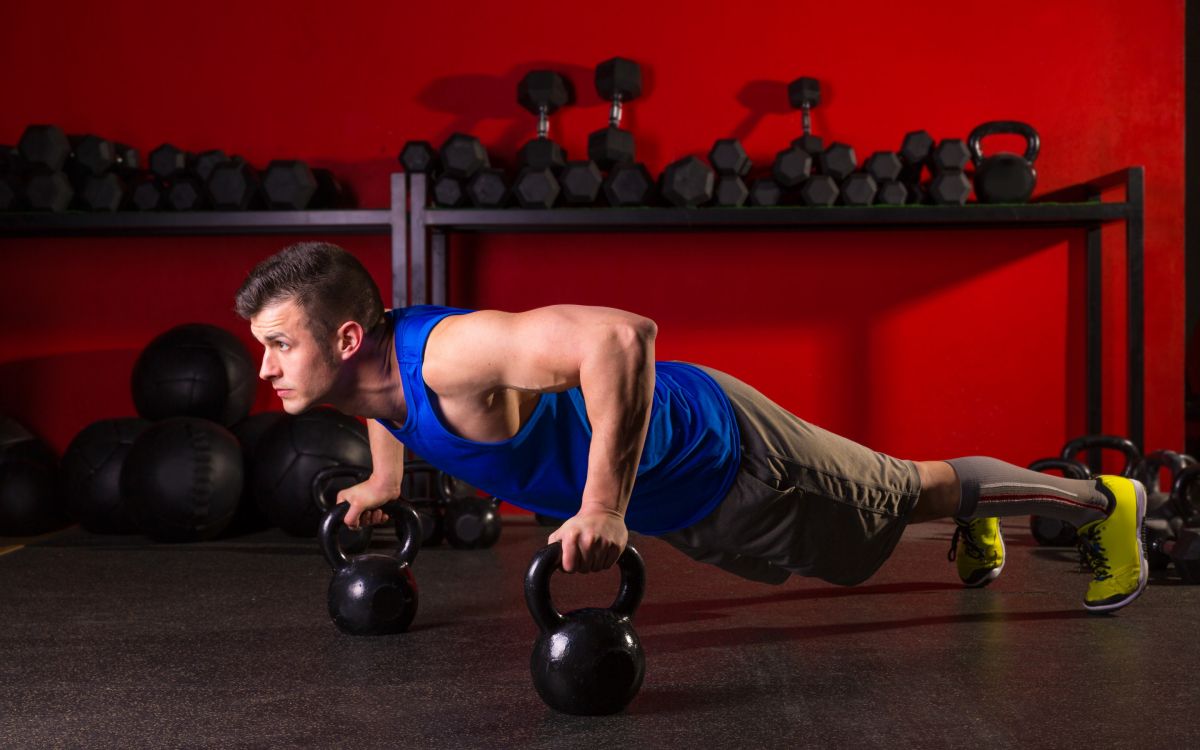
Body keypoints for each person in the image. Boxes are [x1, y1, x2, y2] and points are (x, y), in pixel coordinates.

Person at [235, 241, 1148, 614]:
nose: (265, 366)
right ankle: (974, 513)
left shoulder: (454, 355)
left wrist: (599, 505)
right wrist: (385, 481)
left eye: (279, 344)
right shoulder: (374, 372)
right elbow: (384, 404)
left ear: (346, 336)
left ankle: (1101, 499)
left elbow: (622, 337)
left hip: (733, 454)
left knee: (913, 488)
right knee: (880, 520)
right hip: (690, 495)